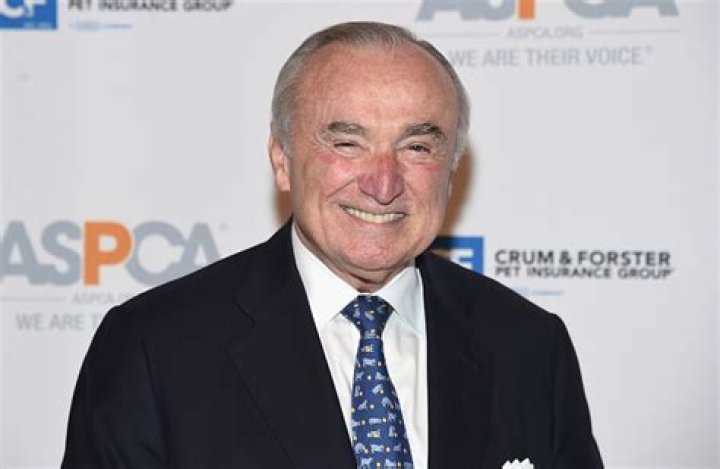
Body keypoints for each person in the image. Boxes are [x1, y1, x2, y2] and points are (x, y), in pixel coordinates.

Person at [62, 21, 603, 469]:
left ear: (452, 169)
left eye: (417, 147)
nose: (383, 183)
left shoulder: (531, 347)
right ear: (282, 160)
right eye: (347, 143)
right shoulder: (154, 350)